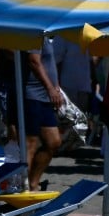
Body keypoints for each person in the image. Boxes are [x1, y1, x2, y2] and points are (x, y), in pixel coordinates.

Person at [21, 38, 65, 191]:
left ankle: (33, 182)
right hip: (33, 94)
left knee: (53, 142)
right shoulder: (34, 32)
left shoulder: (45, 35)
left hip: (44, 96)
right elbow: (34, 61)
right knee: (30, 143)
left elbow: (49, 63)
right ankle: (24, 186)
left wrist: (56, 86)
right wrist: (50, 88)